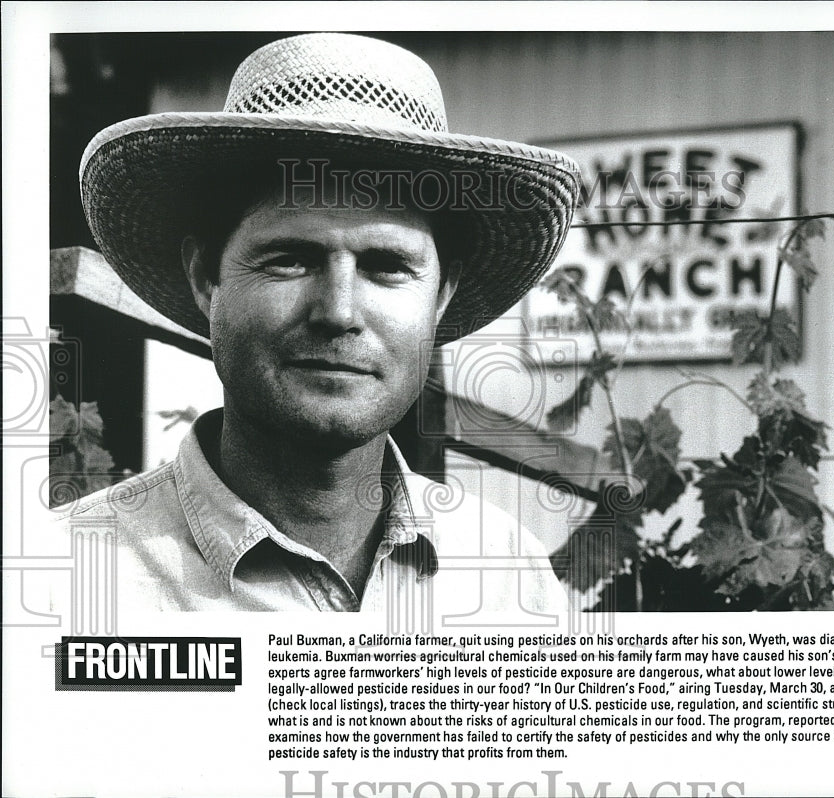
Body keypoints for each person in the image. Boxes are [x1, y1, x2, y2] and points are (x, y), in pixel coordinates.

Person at [52, 33, 580, 616]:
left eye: (387, 266)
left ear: (442, 295)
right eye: (290, 258)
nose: (339, 312)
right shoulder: (67, 579)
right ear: (206, 277)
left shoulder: (508, 577)